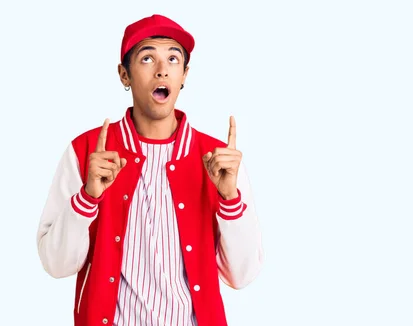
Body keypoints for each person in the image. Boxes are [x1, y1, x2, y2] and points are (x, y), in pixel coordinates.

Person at [36, 14, 263, 326]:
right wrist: (88, 198)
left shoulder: (218, 159)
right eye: (147, 58)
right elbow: (55, 264)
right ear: (124, 75)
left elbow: (242, 275)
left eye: (173, 58)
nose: (161, 69)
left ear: (184, 75)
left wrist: (229, 200)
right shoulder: (87, 152)